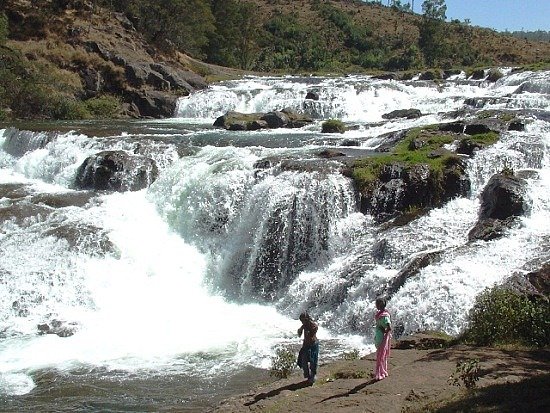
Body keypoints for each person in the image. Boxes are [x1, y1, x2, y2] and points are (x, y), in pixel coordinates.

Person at [296, 312, 319, 385]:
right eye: (301, 321)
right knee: (303, 361)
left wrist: (309, 332)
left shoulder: (313, 325)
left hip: (313, 345)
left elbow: (312, 335)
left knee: (313, 361)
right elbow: (299, 335)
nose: (302, 322)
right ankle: (307, 375)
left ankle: (313, 375)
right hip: (306, 345)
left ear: (307, 319)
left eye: (303, 320)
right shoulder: (304, 325)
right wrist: (300, 329)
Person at [373, 297, 392, 381]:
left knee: (380, 355)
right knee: (381, 355)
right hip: (379, 336)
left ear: (379, 306)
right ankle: (382, 371)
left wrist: (384, 331)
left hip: (381, 337)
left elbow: (389, 327)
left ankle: (380, 373)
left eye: (376, 304)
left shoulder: (384, 316)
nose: (375, 305)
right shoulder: (381, 314)